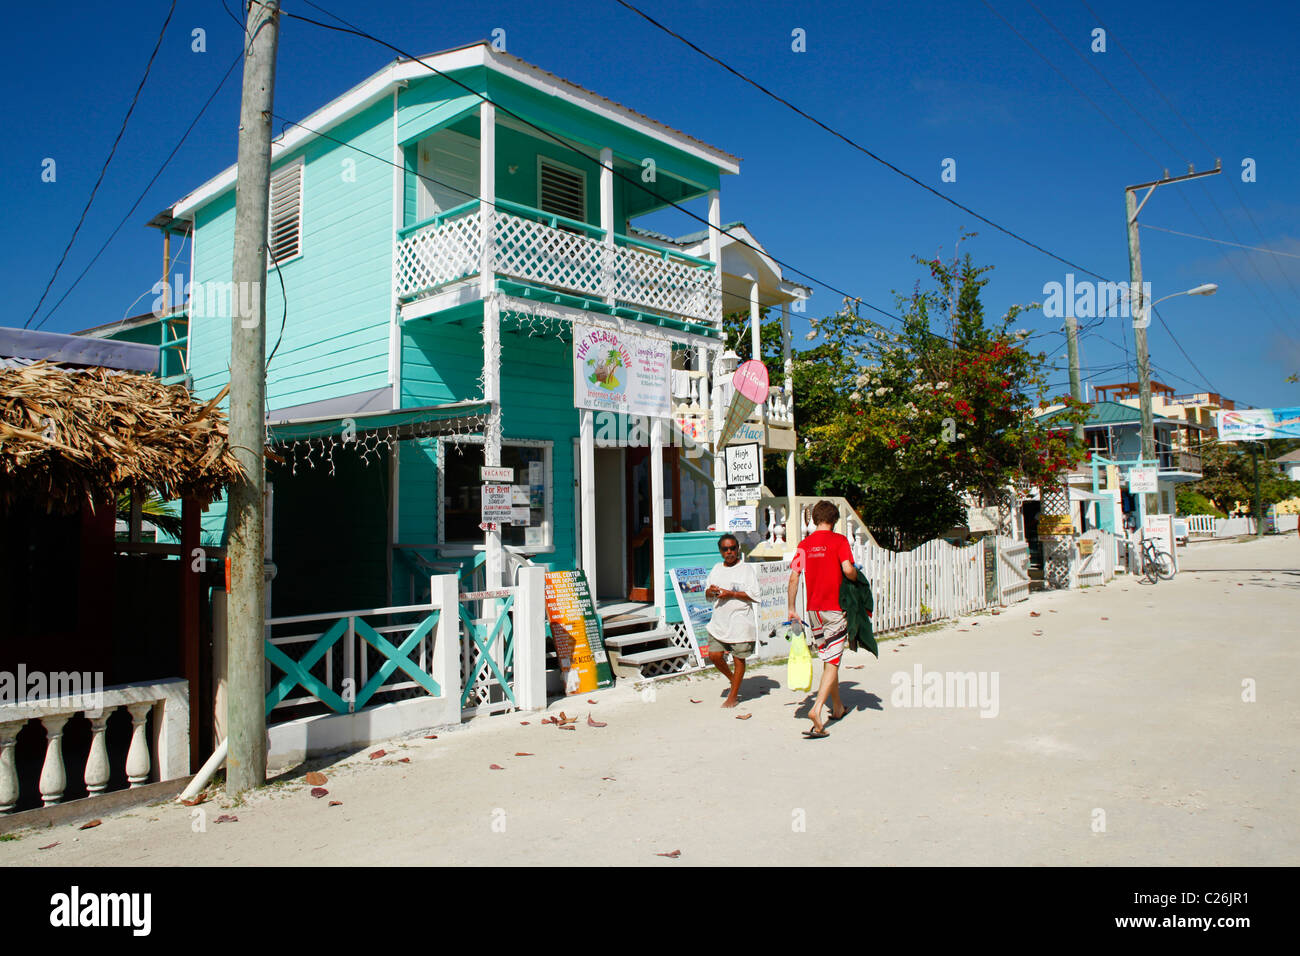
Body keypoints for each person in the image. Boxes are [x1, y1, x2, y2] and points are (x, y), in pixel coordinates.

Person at [787, 500, 857, 738]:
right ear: (835, 520)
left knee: (828, 658)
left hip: (813, 610)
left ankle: (837, 707)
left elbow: (794, 577)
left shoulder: (804, 545)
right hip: (835, 608)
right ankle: (817, 709)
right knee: (834, 660)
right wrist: (856, 577)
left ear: (815, 519)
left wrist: (791, 608)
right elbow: (848, 569)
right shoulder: (839, 541)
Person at [704, 533, 759, 708]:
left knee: (738, 658)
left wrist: (732, 594)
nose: (729, 552)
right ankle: (733, 680)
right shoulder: (716, 569)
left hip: (740, 621)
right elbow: (707, 594)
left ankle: (733, 696)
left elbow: (754, 595)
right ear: (720, 551)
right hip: (719, 622)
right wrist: (711, 592)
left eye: (732, 548)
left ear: (738, 549)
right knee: (714, 655)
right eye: (725, 549)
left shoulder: (746, 570)